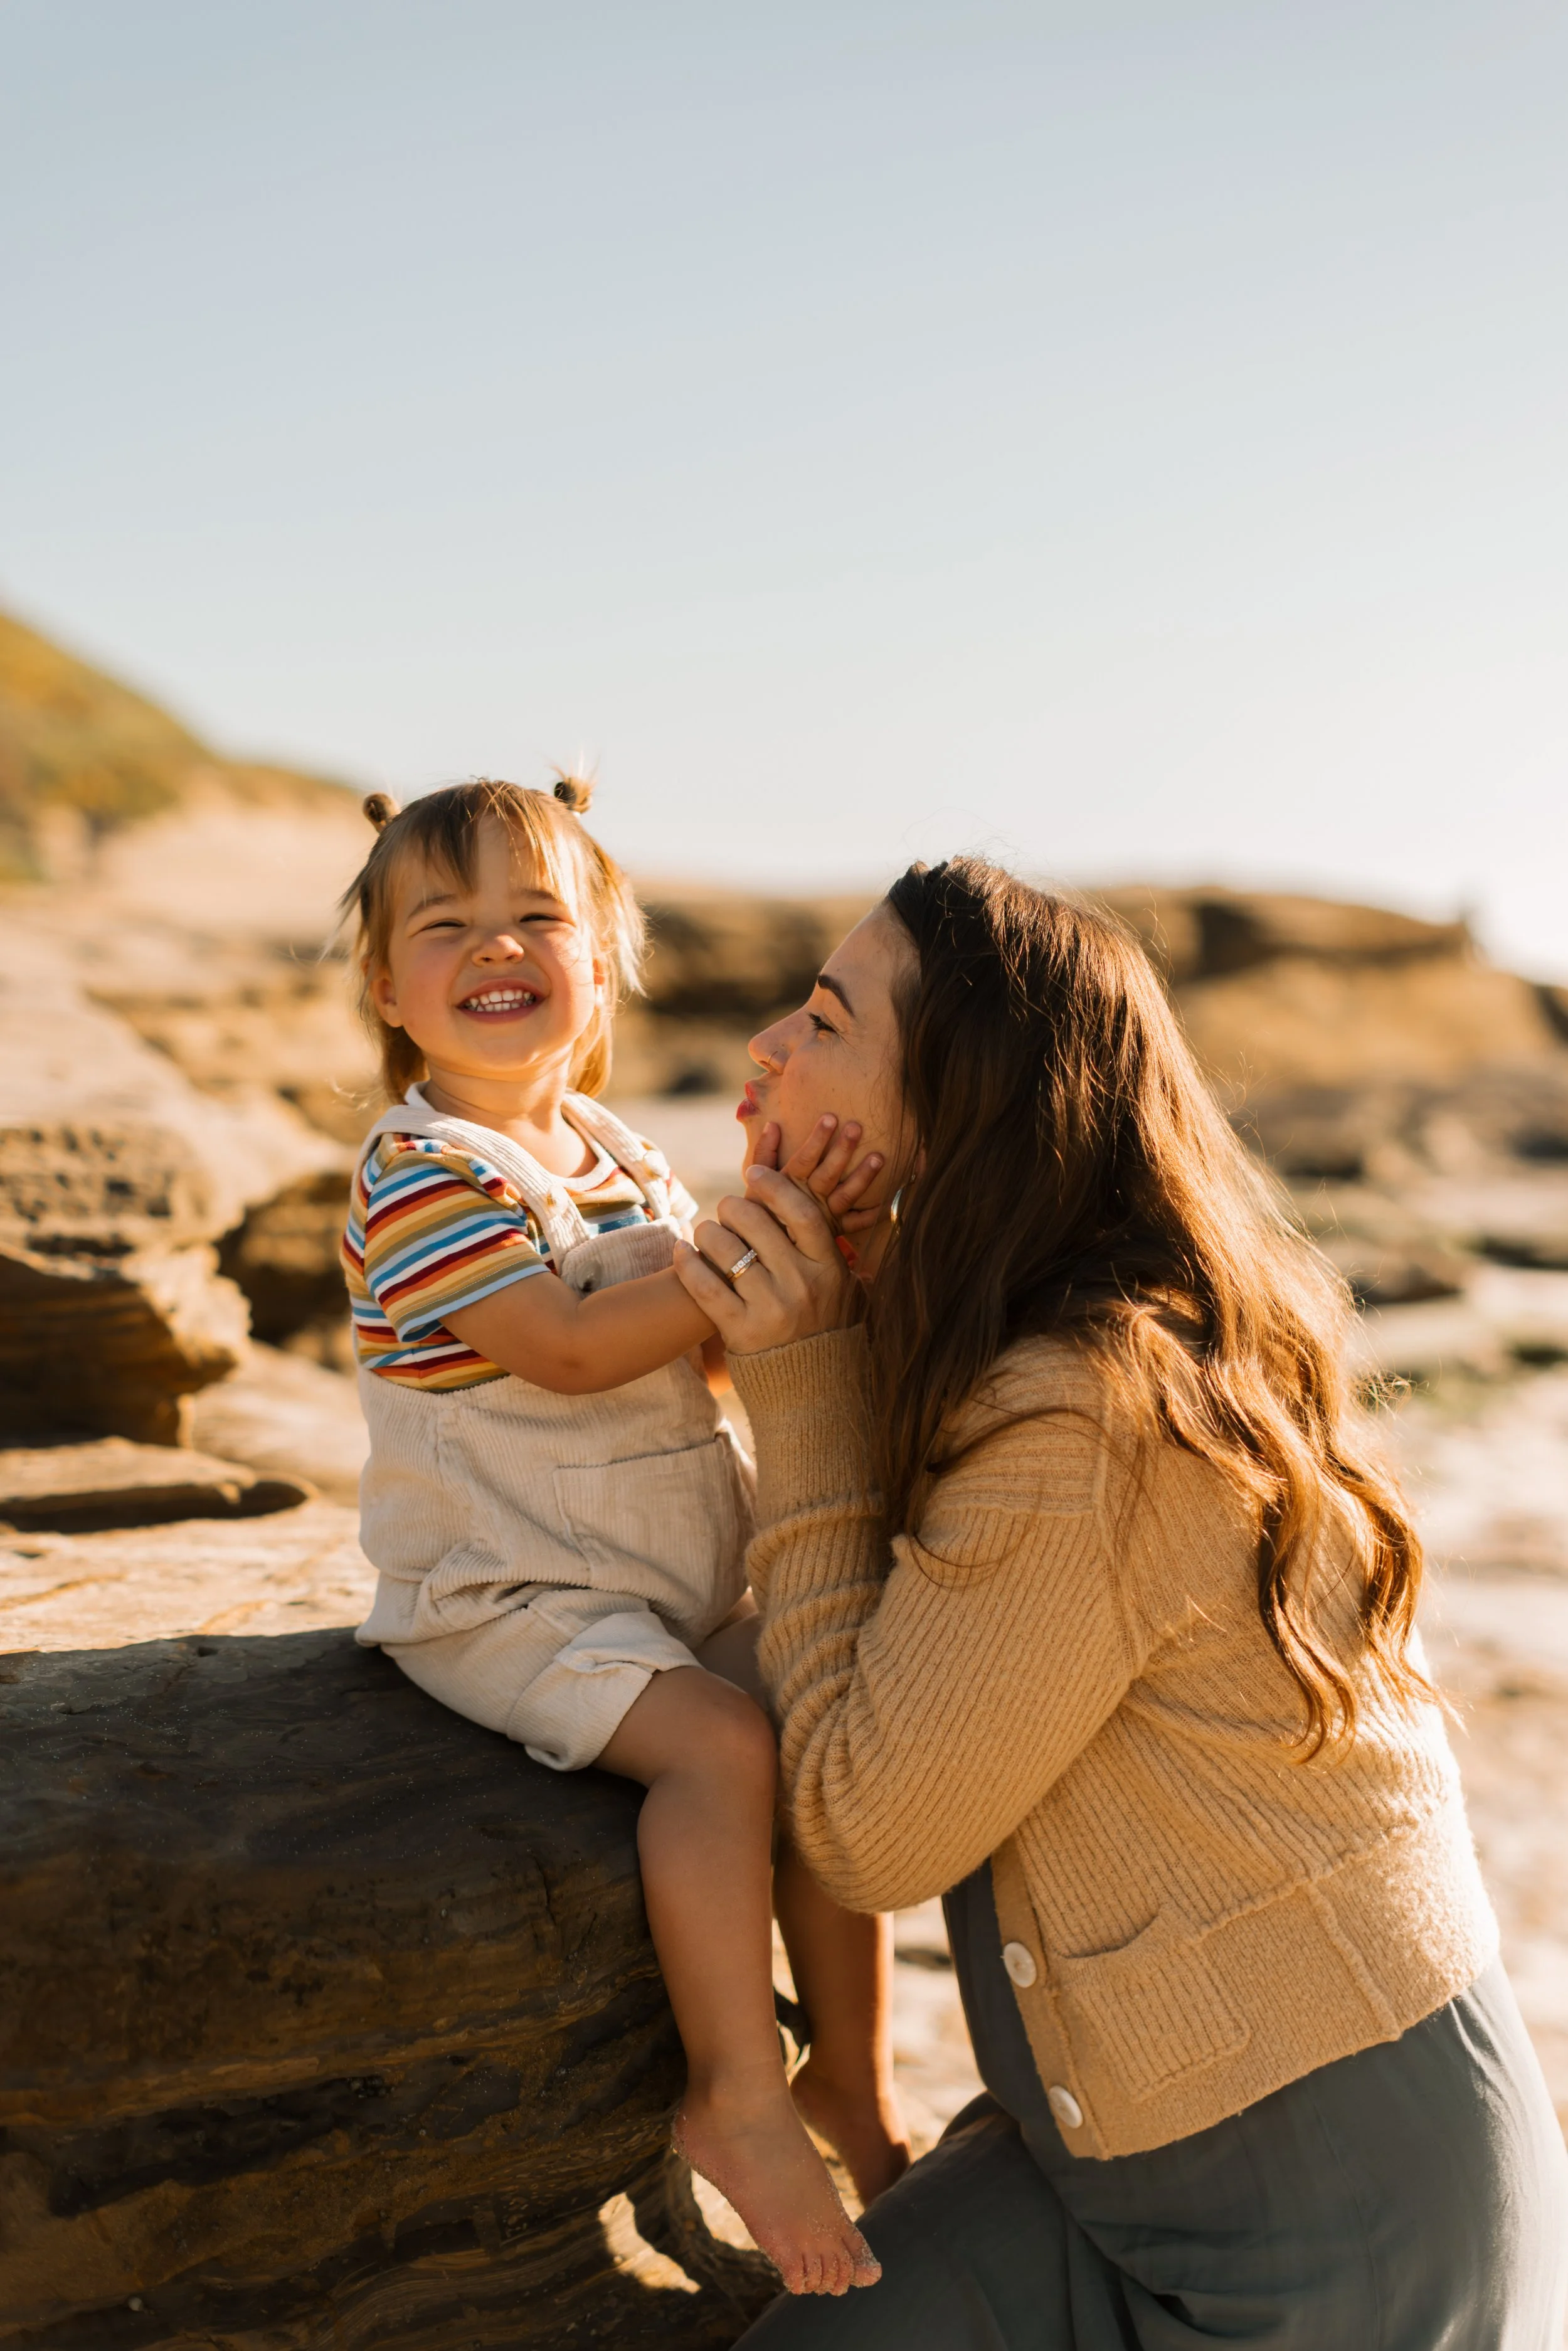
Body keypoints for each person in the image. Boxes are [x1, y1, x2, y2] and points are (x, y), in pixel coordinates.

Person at [674, 856, 1568, 2348]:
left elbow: (868, 1831)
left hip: (1339, 2212)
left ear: (957, 1111)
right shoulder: (1035, 1333)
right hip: (1131, 2129)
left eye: (824, 1021)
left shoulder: (1092, 1413)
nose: (766, 1044)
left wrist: (803, 1386)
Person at [336, 777, 904, 2296]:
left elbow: (701, 1354)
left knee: (821, 1708)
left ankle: (849, 2070)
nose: (495, 944)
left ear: (604, 961)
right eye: (445, 925)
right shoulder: (421, 1175)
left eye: (538, 915)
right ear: (386, 988)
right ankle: (737, 2090)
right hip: (507, 1589)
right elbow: (567, 1346)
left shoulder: (614, 1150)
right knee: (718, 1747)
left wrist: (814, 1240)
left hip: (667, 1571)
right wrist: (740, 1252)